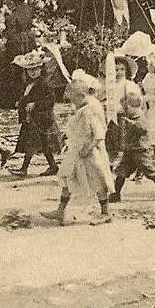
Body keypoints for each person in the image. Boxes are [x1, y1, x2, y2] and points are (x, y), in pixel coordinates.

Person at [41, 71, 114, 226]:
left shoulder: (91, 109)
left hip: (91, 151)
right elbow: (77, 127)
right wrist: (67, 137)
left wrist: (88, 148)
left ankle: (106, 212)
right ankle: (61, 210)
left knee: (98, 180)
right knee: (67, 176)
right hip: (76, 149)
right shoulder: (81, 107)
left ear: (81, 95)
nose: (71, 102)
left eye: (73, 98)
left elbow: (100, 134)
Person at [108, 92, 155, 203]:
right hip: (129, 149)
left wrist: (130, 123)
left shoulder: (140, 115)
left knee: (148, 170)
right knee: (121, 172)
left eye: (126, 106)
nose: (123, 109)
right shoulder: (125, 116)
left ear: (134, 106)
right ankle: (116, 193)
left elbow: (143, 128)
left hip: (140, 149)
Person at [11, 49, 61, 178]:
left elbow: (50, 100)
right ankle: (52, 166)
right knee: (37, 143)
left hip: (41, 119)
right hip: (32, 119)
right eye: (29, 70)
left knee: (36, 143)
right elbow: (27, 97)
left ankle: (25, 168)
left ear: (41, 69)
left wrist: (36, 104)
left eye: (35, 69)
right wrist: (20, 103)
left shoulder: (44, 83)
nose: (32, 72)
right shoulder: (28, 84)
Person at [104, 53, 143, 162]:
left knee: (125, 142)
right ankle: (112, 160)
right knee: (111, 140)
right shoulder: (109, 85)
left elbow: (136, 101)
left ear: (126, 71)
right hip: (111, 115)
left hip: (125, 116)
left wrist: (126, 103)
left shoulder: (129, 85)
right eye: (116, 70)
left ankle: (125, 163)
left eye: (122, 69)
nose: (119, 72)